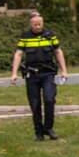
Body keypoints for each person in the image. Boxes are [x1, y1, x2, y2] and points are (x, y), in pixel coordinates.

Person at [10, 12, 68, 141]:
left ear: (43, 23)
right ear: (31, 24)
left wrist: (64, 70)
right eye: (35, 24)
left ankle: (48, 127)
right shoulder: (25, 37)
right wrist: (14, 73)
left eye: (39, 24)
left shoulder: (50, 35)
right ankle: (39, 132)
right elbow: (19, 54)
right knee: (35, 104)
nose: (37, 26)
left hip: (48, 73)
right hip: (32, 75)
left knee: (49, 99)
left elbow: (58, 51)